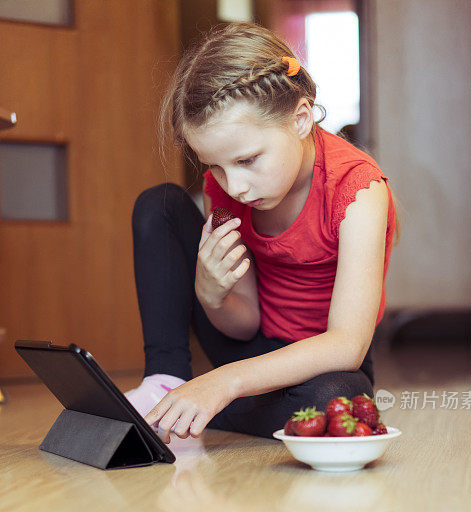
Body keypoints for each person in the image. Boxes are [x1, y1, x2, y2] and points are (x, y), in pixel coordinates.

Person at [125, 21, 400, 443]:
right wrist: (210, 293)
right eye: (215, 166)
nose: (232, 185)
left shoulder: (358, 190)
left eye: (248, 160)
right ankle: (166, 382)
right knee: (158, 205)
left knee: (336, 400)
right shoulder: (229, 187)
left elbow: (346, 345)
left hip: (322, 362)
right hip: (250, 345)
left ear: (301, 119)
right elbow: (244, 321)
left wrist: (225, 383)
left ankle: (195, 404)